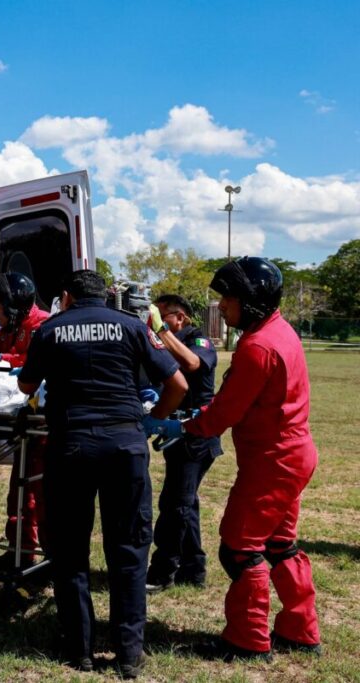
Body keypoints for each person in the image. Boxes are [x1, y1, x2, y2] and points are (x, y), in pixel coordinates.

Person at [147, 257, 321, 660]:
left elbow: (226, 411)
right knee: (280, 544)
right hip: (292, 453)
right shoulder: (279, 330)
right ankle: (300, 630)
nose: (222, 307)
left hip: (273, 459)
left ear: (252, 301)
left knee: (240, 548)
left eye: (228, 298)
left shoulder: (258, 346)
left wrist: (181, 427)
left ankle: (247, 640)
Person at [18, 270, 187, 678]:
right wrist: (153, 421)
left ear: (66, 296)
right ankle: (129, 653)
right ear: (106, 296)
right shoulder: (132, 326)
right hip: (124, 448)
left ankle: (79, 649)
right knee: (128, 550)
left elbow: (26, 385)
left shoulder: (51, 329)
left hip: (71, 447)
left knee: (70, 550)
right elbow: (178, 383)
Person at [143, 295, 223, 592]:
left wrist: (160, 329)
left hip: (196, 436)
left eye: (165, 316)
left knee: (174, 504)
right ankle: (194, 568)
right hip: (177, 433)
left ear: (182, 318)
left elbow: (191, 364)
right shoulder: (168, 342)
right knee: (185, 502)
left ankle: (162, 571)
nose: (157, 323)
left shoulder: (199, 342)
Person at [0, 273, 51, 563]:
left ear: (12, 306)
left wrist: (4, 361)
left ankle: (46, 557)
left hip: (44, 422)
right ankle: (19, 550)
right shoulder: (11, 328)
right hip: (21, 422)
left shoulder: (44, 326)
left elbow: (34, 364)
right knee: (18, 493)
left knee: (39, 494)